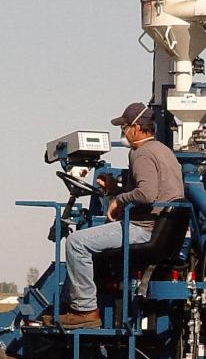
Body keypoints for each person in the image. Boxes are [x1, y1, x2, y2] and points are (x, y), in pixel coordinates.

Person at [57, 101, 184, 329]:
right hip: (158, 228)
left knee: (76, 242)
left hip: (143, 229)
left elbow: (146, 193)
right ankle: (71, 304)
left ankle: (85, 310)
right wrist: (115, 189)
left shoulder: (141, 153)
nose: (123, 132)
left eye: (124, 127)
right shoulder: (163, 151)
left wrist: (118, 200)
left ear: (137, 127)